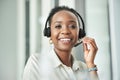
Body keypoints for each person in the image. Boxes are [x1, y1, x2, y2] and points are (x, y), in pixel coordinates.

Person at [23, 6, 99, 80]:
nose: (65, 31)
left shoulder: (85, 67)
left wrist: (90, 64)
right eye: (58, 26)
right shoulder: (37, 62)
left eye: (72, 26)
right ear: (49, 33)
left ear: (80, 33)